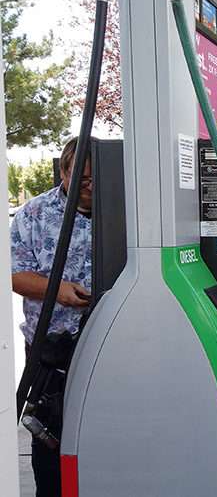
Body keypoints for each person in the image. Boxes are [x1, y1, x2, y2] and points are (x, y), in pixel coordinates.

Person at [11, 137, 93, 497]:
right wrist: (59, 289)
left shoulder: (127, 210)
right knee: (48, 439)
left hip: (110, 344)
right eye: (82, 179)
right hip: (50, 347)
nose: (90, 188)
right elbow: (13, 275)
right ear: (63, 171)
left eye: (96, 179)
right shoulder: (34, 213)